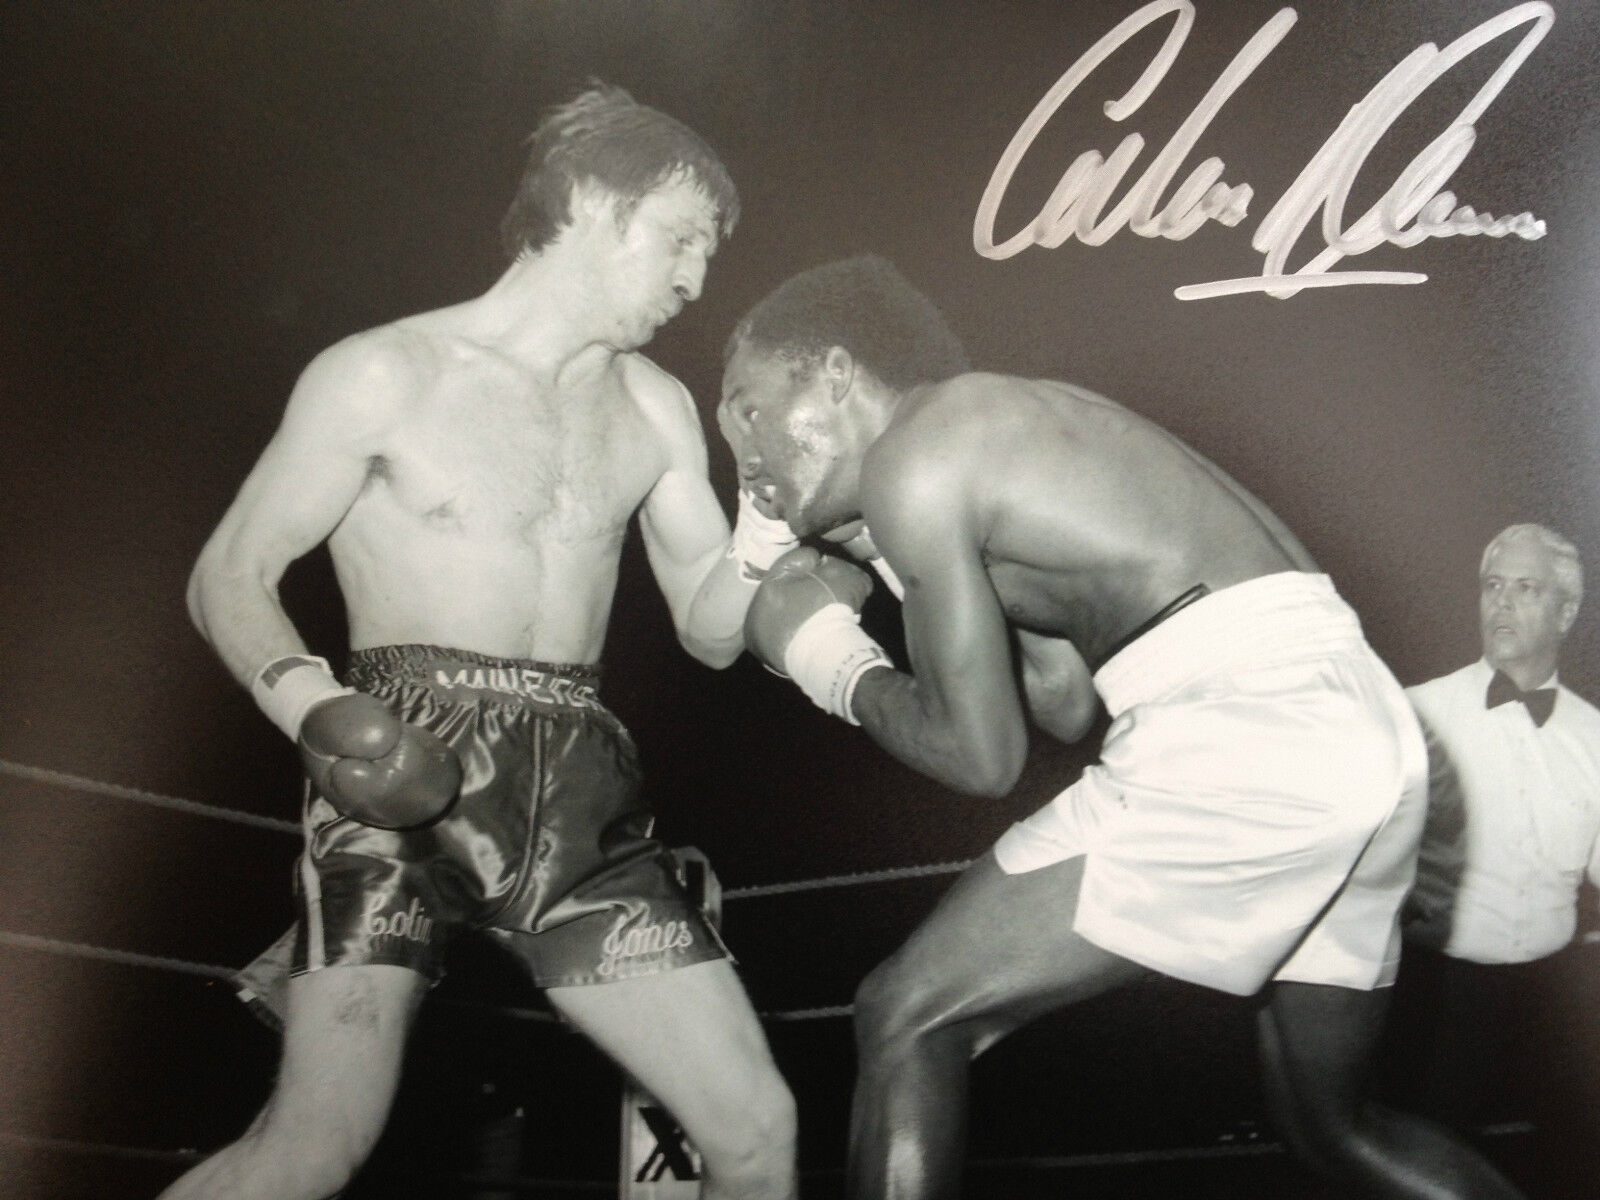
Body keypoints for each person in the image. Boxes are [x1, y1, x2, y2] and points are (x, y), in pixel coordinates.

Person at [722, 254, 1528, 1199]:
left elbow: (984, 759)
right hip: (1358, 723)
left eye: (747, 408)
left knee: (906, 1015)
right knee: (1337, 1131)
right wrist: (904, 567)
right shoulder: (1017, 429)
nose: (743, 458)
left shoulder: (918, 450)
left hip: (1250, 726)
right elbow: (1063, 700)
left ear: (834, 370)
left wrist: (824, 652)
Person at [167, 85, 799, 1200]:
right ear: (600, 203)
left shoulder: (655, 408)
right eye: (682, 239)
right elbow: (231, 572)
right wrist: (311, 704)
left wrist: (785, 519)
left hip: (583, 799)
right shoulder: (385, 373)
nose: (698, 279)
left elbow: (709, 626)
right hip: (399, 769)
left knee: (756, 1128)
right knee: (314, 1148)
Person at [1388, 524, 1600, 1137]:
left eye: (1525, 588)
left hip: (1555, 1000)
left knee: (1566, 1158)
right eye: (1492, 586)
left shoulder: (1594, 737)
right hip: (1439, 999)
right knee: (1430, 1158)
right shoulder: (1417, 712)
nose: (1501, 603)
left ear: (1567, 613)